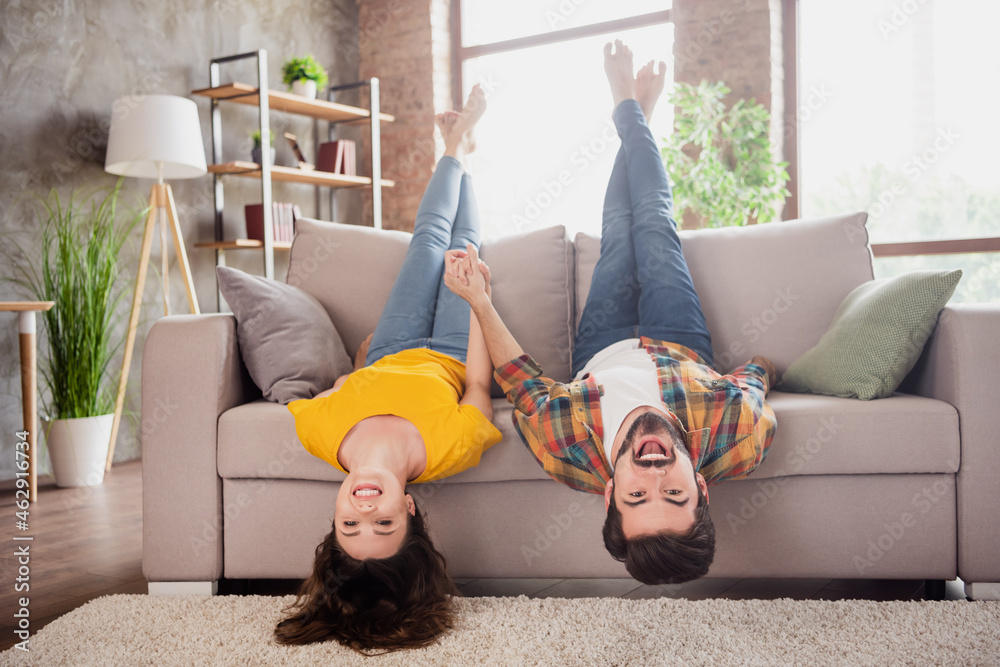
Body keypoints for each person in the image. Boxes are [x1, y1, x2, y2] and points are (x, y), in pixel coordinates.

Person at [445, 42, 777, 586]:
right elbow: (754, 380)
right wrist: (761, 367)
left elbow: (523, 384)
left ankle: (636, 115)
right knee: (654, 221)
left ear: (609, 493)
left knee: (618, 231)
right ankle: (629, 107)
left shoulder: (565, 451)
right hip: (679, 340)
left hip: (601, 345)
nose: (653, 471)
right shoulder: (736, 435)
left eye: (637, 495)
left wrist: (480, 301)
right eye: (674, 492)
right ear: (702, 487)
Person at [274, 85, 501, 653]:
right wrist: (478, 302)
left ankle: (454, 144)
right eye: (384, 525)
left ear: (335, 513)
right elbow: (477, 384)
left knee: (424, 243)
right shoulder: (450, 450)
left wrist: (356, 368)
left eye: (351, 526)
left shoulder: (316, 433)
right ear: (410, 510)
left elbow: (342, 388)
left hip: (391, 346)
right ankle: (462, 148)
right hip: (451, 346)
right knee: (462, 245)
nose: (366, 511)